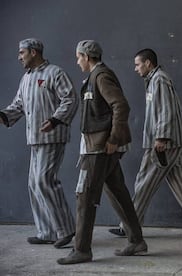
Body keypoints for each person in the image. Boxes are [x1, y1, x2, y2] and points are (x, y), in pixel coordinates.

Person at [108, 48, 182, 238]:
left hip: (164, 142)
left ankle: (129, 226)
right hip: (171, 140)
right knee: (181, 181)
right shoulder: (155, 79)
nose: (135, 68)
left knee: (144, 181)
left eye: (137, 64)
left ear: (148, 63)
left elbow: (166, 110)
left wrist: (161, 138)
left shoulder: (159, 79)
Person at [57, 40, 147, 265]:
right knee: (118, 193)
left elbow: (121, 106)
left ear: (86, 57)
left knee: (85, 197)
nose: (77, 62)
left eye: (78, 58)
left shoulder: (101, 76)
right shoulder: (95, 76)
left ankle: (82, 250)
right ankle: (136, 240)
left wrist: (114, 139)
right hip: (97, 147)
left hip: (99, 149)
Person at [0, 38, 77, 248]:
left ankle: (66, 229)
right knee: (34, 185)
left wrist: (54, 120)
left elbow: (70, 98)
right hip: (34, 138)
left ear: (34, 52)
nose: (19, 57)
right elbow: (18, 105)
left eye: (22, 53)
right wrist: (3, 115)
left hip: (52, 137)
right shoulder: (26, 78)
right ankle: (47, 232)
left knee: (44, 180)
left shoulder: (55, 73)